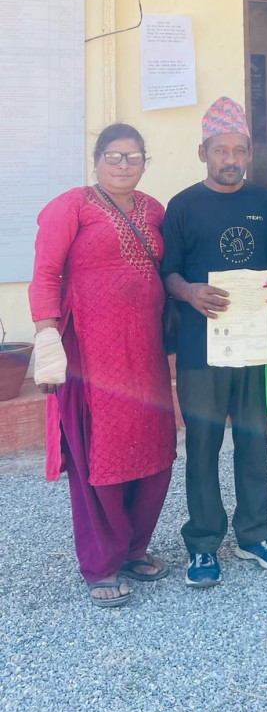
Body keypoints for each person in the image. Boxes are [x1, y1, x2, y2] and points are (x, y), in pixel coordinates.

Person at [28, 124, 176, 607]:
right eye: (114, 156)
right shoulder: (72, 205)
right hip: (90, 354)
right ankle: (101, 564)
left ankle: (135, 549)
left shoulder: (154, 210)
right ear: (96, 160)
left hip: (146, 352)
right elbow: (45, 272)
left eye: (134, 157)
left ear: (144, 162)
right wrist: (46, 333)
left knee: (153, 446)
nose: (123, 165)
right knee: (100, 452)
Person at [161, 97, 267, 587]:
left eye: (239, 150)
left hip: (254, 343)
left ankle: (255, 534)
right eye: (221, 150)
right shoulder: (182, 206)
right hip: (201, 348)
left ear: (250, 153)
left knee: (254, 441)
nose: (230, 159)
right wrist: (189, 292)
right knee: (202, 446)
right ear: (203, 152)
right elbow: (168, 272)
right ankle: (202, 544)